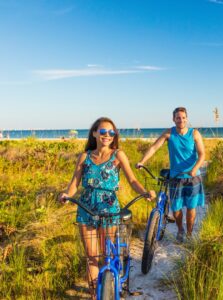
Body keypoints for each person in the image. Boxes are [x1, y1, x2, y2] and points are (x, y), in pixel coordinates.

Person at [59, 117, 155, 298]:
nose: (107, 135)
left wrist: (144, 192)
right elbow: (74, 183)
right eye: (103, 132)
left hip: (109, 209)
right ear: (94, 133)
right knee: (92, 257)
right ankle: (96, 295)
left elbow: (132, 180)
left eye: (111, 132)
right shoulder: (84, 156)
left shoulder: (118, 155)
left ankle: (112, 286)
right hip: (86, 209)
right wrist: (66, 195)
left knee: (107, 255)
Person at [136, 107, 205, 242]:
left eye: (183, 117)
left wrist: (195, 168)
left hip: (193, 177)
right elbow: (154, 147)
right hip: (175, 177)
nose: (181, 120)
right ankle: (180, 230)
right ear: (173, 119)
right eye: (178, 118)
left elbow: (202, 154)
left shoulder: (194, 133)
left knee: (191, 208)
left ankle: (190, 234)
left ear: (187, 118)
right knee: (176, 208)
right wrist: (142, 161)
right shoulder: (169, 133)